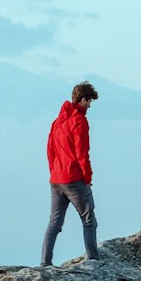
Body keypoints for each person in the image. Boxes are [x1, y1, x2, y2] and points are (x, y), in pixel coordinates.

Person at [41, 82, 100, 265]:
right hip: (73, 178)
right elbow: (82, 153)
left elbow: (50, 151)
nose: (90, 106)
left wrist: (55, 172)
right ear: (83, 100)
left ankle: (45, 263)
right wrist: (87, 179)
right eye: (89, 101)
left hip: (56, 179)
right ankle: (93, 261)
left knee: (55, 223)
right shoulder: (79, 121)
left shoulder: (57, 122)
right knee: (89, 220)